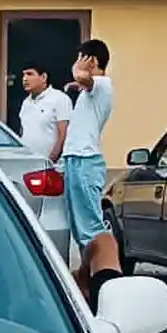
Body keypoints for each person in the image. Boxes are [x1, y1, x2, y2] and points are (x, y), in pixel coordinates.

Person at [60, 38, 116, 257]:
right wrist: (77, 85)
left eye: (80, 58)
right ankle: (89, 275)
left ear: (92, 61)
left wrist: (77, 72)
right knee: (79, 225)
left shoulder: (103, 84)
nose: (77, 62)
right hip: (75, 159)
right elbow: (83, 83)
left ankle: (105, 272)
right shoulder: (91, 90)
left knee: (91, 226)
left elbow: (82, 77)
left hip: (86, 160)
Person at [17, 64, 72, 164]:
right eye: (24, 75)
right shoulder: (26, 102)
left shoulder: (59, 99)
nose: (25, 79)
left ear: (43, 77)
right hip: (27, 164)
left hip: (51, 166)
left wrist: (50, 162)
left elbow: (63, 135)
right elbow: (22, 132)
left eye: (30, 74)